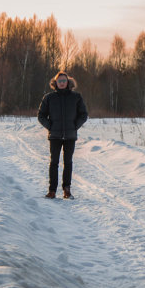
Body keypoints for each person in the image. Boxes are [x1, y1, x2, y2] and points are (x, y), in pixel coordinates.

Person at [37, 71, 88, 199]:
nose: (62, 83)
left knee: (68, 162)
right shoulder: (49, 98)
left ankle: (67, 190)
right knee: (54, 162)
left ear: (68, 82)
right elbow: (41, 115)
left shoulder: (76, 97)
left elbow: (83, 114)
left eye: (64, 81)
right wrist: (50, 126)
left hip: (70, 136)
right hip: (54, 136)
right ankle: (52, 191)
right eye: (59, 81)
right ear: (55, 83)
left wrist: (75, 126)